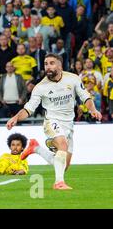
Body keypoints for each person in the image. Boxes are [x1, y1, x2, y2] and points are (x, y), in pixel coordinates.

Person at [7, 53, 102, 190]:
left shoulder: (73, 79)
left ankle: (36, 148)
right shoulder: (40, 87)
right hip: (51, 121)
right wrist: (16, 117)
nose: (48, 66)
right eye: (46, 64)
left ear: (59, 65)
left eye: (52, 63)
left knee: (64, 166)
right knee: (62, 145)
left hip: (68, 123)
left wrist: (93, 109)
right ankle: (59, 183)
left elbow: (85, 97)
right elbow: (29, 109)